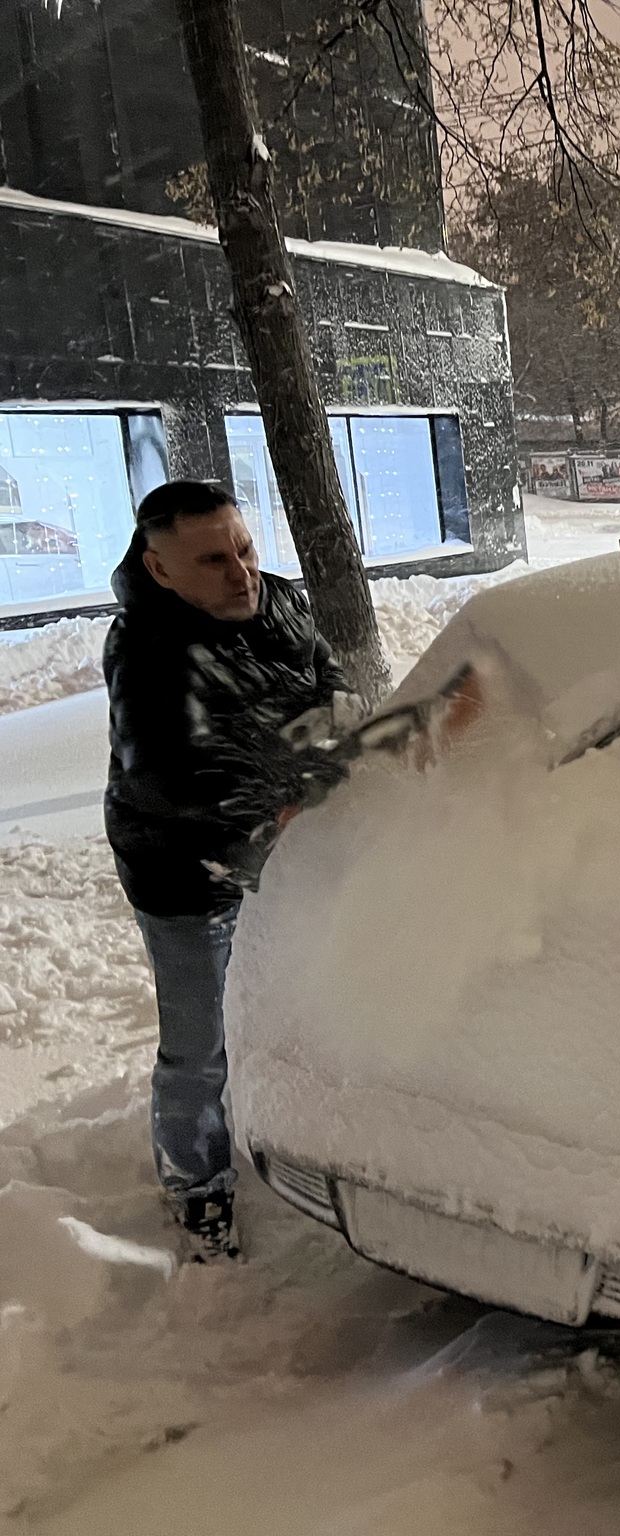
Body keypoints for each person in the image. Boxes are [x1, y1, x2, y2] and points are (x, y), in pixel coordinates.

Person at [104, 481, 352, 1259]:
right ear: (162, 568)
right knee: (199, 1043)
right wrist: (269, 809)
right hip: (187, 877)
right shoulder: (149, 651)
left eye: (243, 548)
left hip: (282, 858)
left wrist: (339, 722)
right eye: (213, 560)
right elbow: (166, 780)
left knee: (289, 1008)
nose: (241, 572)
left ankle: (283, 1127)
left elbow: (325, 674)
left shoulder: (276, 601)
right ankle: (197, 1185)